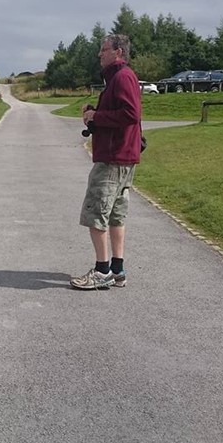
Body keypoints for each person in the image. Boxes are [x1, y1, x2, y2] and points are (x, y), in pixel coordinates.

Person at [70, 34, 142, 290]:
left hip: (112, 159)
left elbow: (130, 114)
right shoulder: (121, 77)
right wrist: (96, 114)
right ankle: (117, 270)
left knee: (96, 214)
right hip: (123, 157)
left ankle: (102, 272)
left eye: (103, 50)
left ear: (118, 51)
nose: (99, 54)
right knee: (115, 215)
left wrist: (96, 116)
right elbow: (124, 113)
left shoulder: (122, 77)